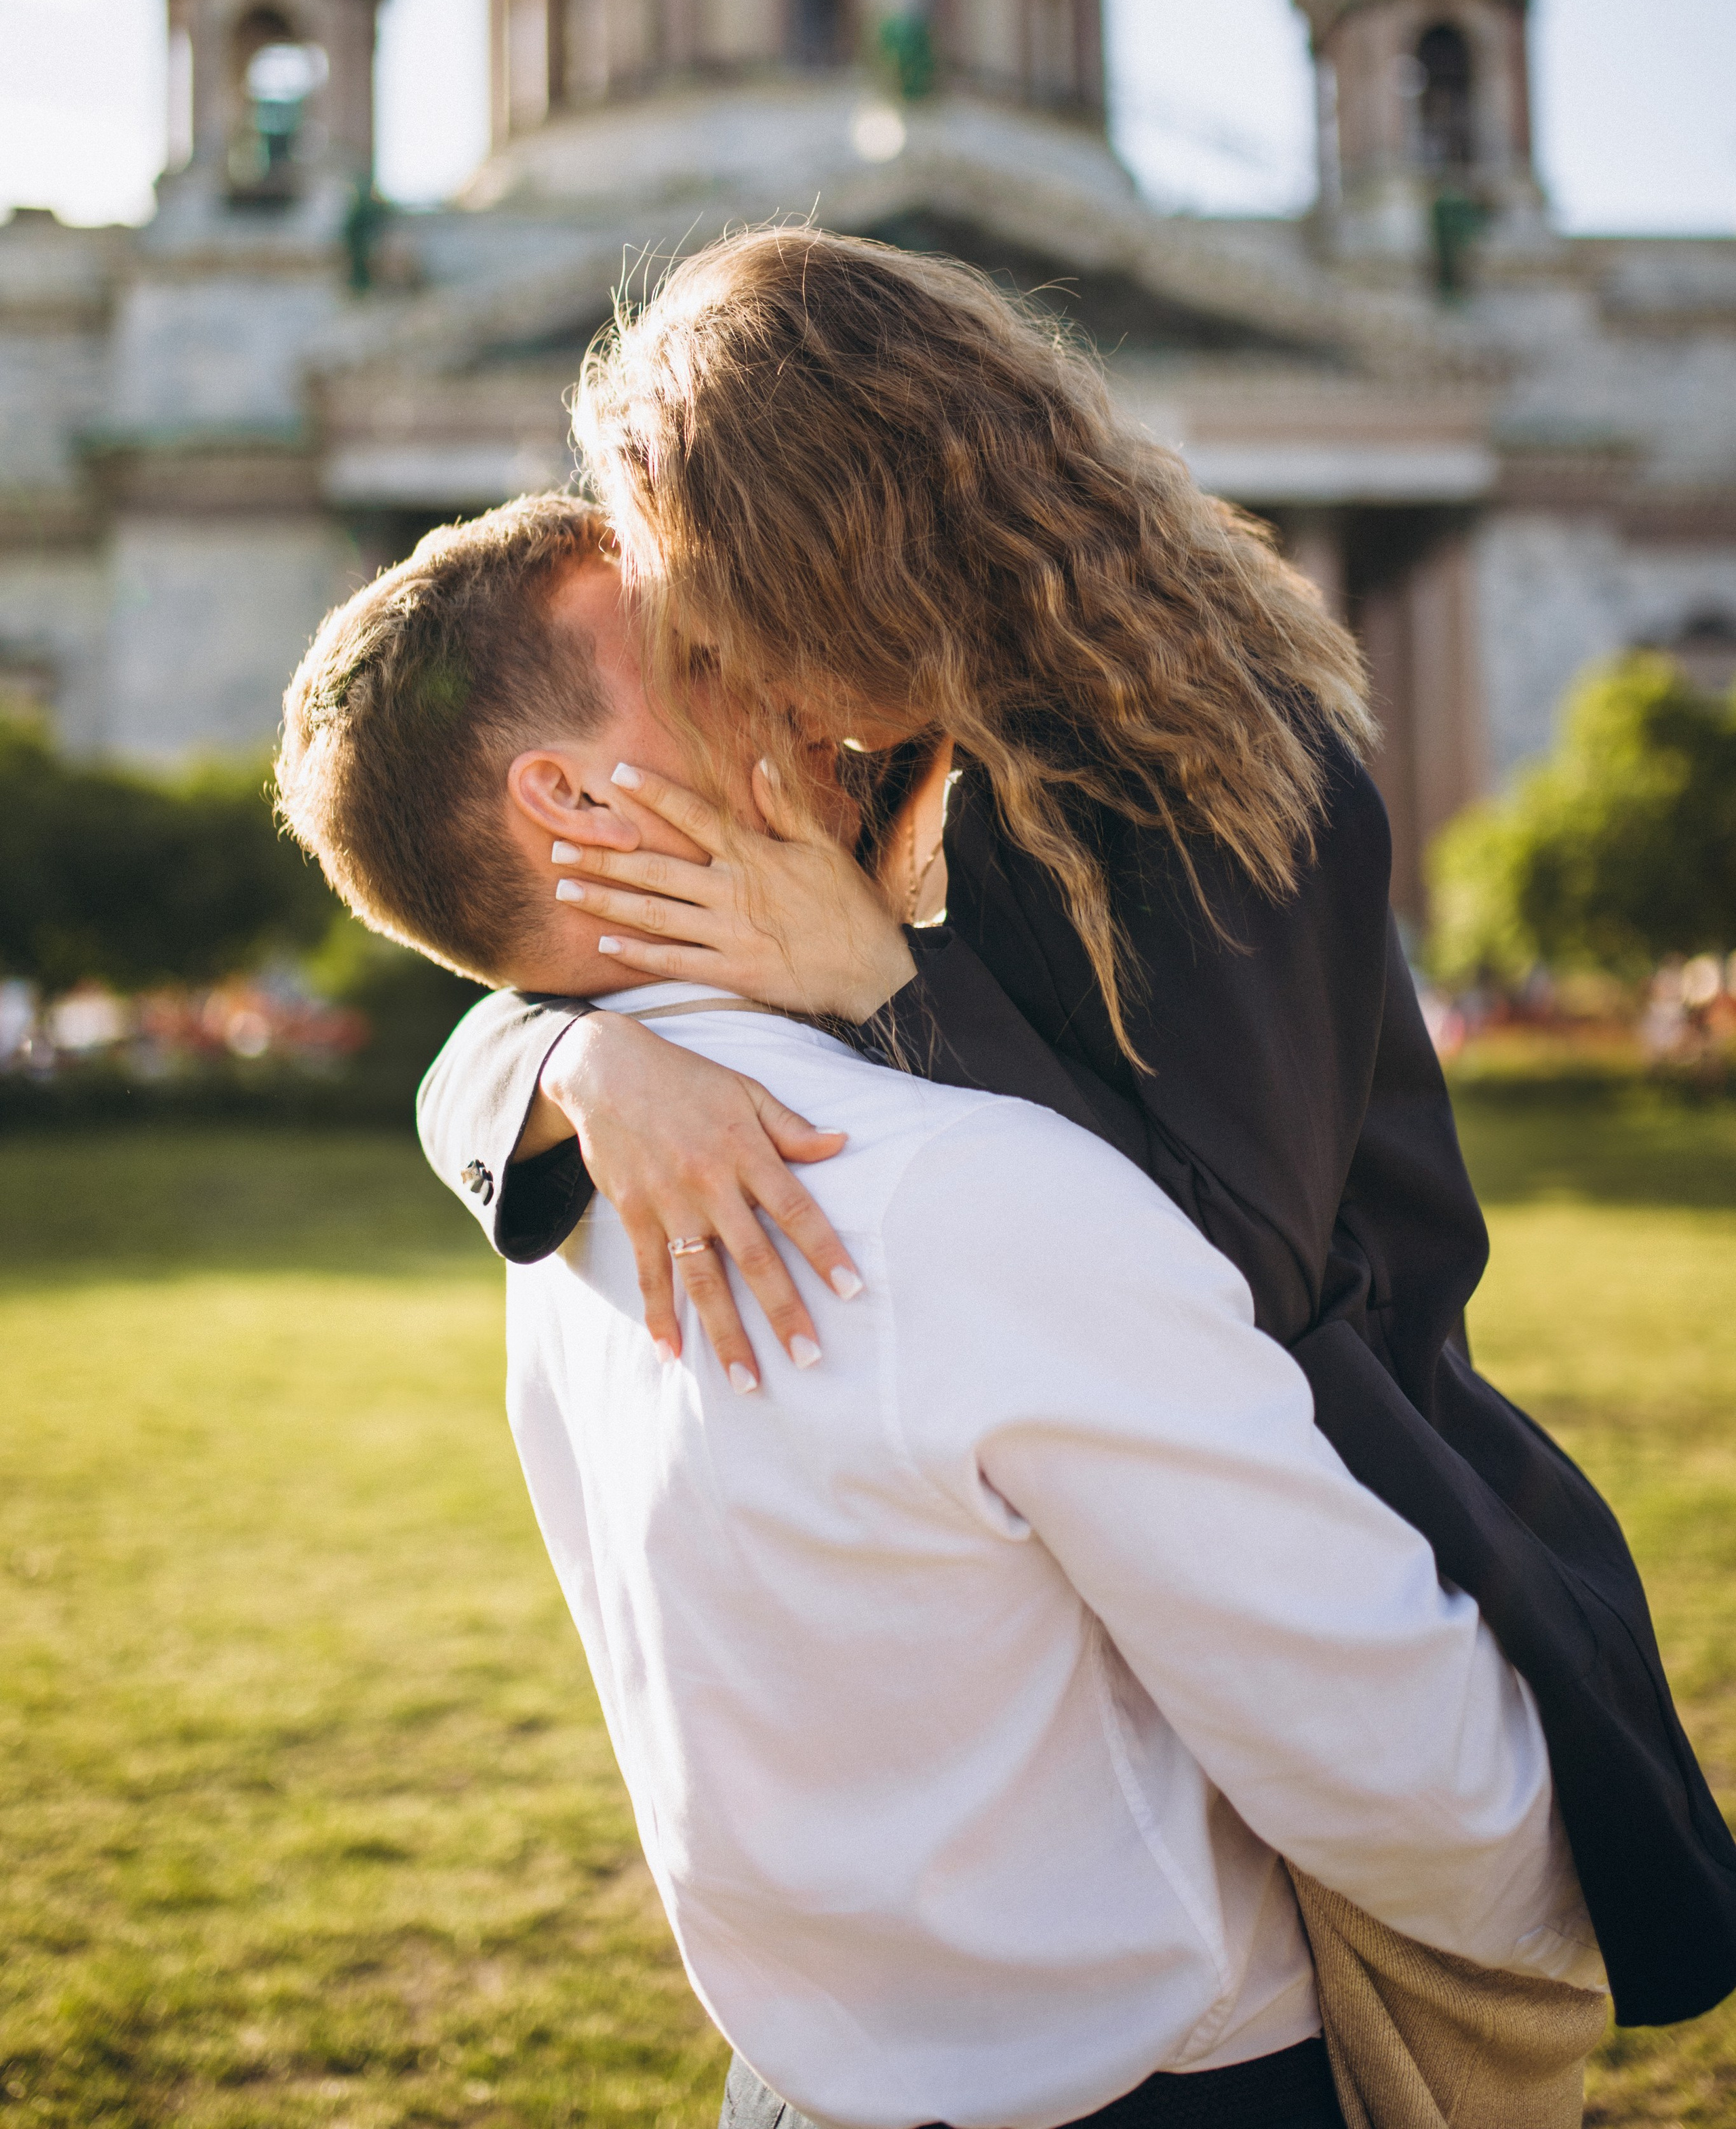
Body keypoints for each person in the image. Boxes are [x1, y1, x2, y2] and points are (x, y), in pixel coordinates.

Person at [416, 229, 1736, 2029]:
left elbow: (1224, 1251)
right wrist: (563, 1070)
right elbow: (533, 948)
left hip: (1358, 1526)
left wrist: (886, 979)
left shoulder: (1224, 759)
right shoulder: (882, 741)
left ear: (842, 535)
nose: (729, 669)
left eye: (719, 598)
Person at [275, 496, 1607, 2129]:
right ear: (568, 799)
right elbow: (1388, 1746)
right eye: (703, 653)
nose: (799, 672)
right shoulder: (959, 1190)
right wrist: (1547, 1921)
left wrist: (566, 1049)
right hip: (1165, 2079)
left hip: (803, 2080)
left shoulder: (573, 1197)